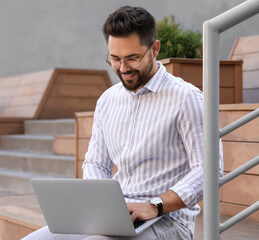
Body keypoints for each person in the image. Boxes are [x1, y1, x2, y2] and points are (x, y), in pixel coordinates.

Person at [23, 5, 223, 240]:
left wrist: (155, 205)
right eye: (115, 59)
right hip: (118, 214)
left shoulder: (186, 98)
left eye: (132, 58)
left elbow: (209, 170)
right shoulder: (108, 99)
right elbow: (96, 162)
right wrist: (101, 206)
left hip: (168, 221)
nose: (123, 68)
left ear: (154, 49)